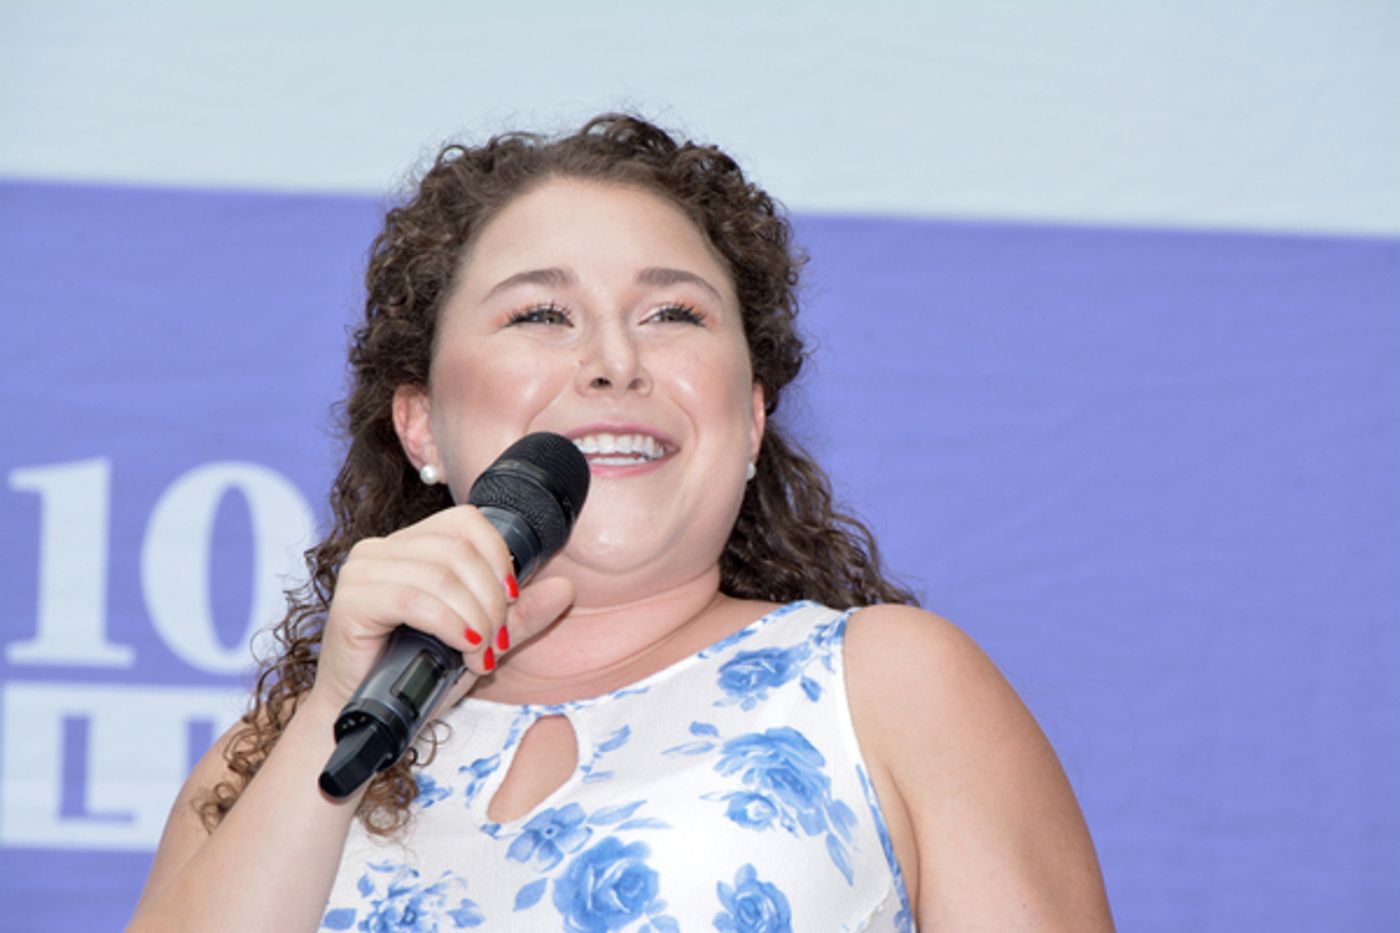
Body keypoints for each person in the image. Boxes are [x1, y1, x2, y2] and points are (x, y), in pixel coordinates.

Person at [130, 114, 1114, 931]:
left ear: (753, 415)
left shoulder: (893, 688)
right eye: (540, 316)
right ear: (420, 421)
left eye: (673, 315)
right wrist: (333, 718)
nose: (613, 363)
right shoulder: (266, 760)